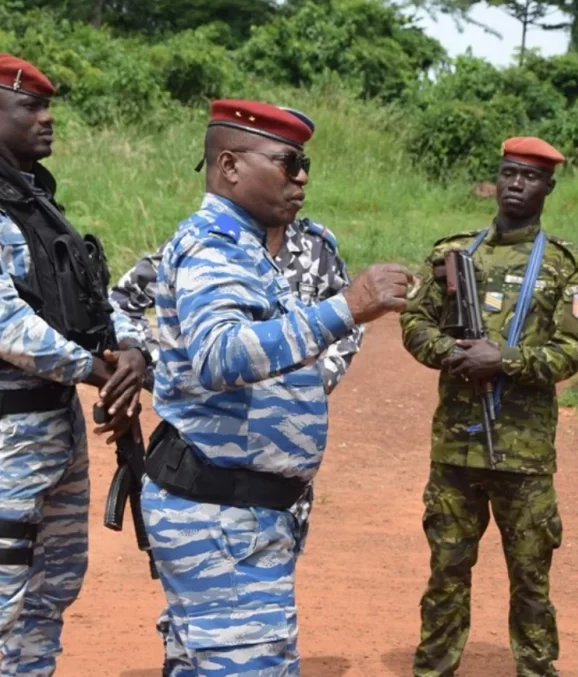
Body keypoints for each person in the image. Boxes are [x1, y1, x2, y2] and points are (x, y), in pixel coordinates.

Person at [142, 99, 412, 676]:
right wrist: (348, 308)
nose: (302, 177)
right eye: (288, 162)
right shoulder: (215, 246)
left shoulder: (245, 247)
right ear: (231, 166)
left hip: (234, 513)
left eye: (304, 162)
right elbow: (218, 354)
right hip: (222, 517)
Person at [0, 52, 148, 677]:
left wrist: (124, 352)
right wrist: (101, 371)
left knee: (51, 593)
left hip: (57, 424)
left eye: (48, 107)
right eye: (32, 107)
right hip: (2, 433)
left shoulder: (34, 203)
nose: (47, 119)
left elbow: (88, 302)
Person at [400, 137, 578, 677]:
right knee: (446, 570)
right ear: (497, 178)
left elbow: (571, 352)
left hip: (523, 455)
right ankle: (433, 668)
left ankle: (536, 669)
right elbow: (414, 322)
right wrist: (453, 353)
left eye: (530, 177)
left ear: (548, 187)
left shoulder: (564, 266)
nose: (516, 183)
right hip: (457, 450)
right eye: (509, 173)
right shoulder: (454, 254)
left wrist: (504, 360)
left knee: (531, 577)